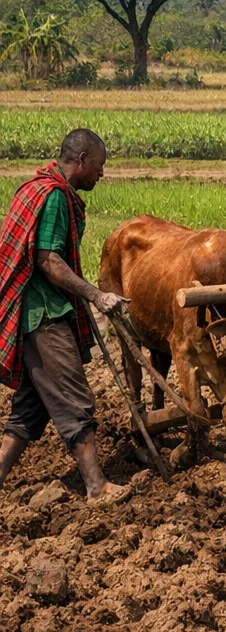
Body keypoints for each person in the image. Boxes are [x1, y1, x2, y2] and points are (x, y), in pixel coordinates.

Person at [0, 130, 131, 504]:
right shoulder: (54, 196)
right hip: (44, 315)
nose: (101, 174)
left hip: (30, 312)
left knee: (32, 404)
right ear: (82, 159)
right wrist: (97, 295)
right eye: (100, 166)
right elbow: (48, 260)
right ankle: (96, 487)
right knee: (76, 399)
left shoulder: (34, 187)